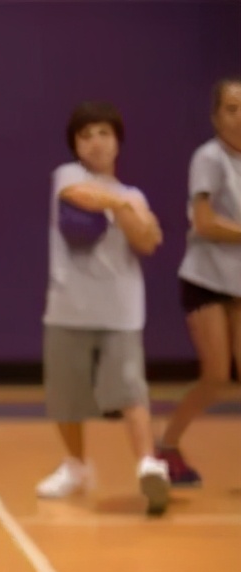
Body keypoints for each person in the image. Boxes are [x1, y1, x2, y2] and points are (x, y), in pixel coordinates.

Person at [36, 101, 171, 515]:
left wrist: (130, 209)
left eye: (104, 134)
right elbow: (79, 196)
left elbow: (148, 241)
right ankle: (76, 466)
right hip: (68, 306)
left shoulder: (133, 196)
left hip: (120, 310)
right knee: (66, 396)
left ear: (118, 142)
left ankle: (149, 464)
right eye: (86, 135)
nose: (95, 143)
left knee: (131, 389)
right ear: (75, 144)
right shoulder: (69, 176)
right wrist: (124, 206)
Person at [156, 76, 241, 486]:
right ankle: (167, 445)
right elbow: (205, 223)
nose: (240, 117)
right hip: (206, 280)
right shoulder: (208, 158)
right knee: (217, 376)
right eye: (231, 108)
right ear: (215, 116)